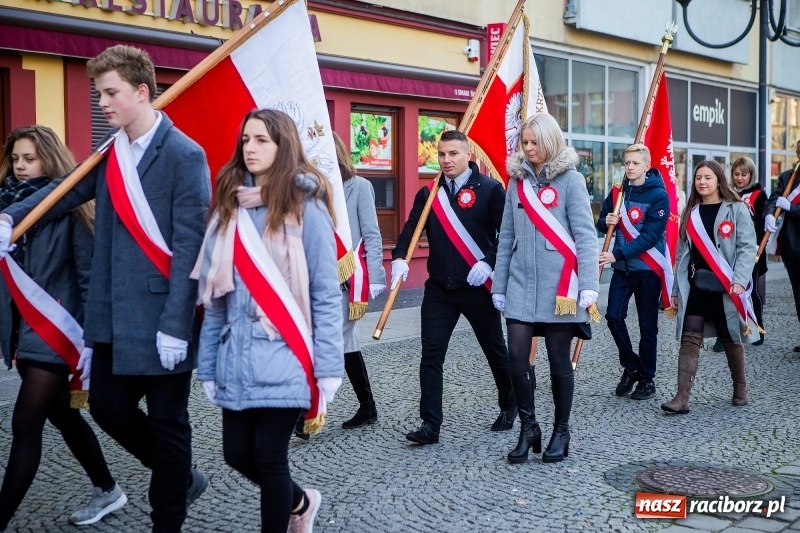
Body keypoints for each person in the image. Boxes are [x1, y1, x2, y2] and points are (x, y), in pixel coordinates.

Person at [0, 46, 211, 532]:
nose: (103, 102)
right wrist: (9, 217)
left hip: (163, 321)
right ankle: (181, 476)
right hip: (114, 317)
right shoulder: (110, 151)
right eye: (98, 93)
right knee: (109, 409)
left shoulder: (184, 154)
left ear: (142, 92)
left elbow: (189, 246)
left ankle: (167, 519)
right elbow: (58, 193)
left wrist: (178, 324)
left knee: (168, 423)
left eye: (111, 92)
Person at [194, 108, 343, 533]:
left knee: (269, 458)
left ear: (283, 147)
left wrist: (329, 368)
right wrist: (207, 365)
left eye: (262, 140)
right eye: (246, 140)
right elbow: (216, 299)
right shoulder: (229, 211)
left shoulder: (306, 211)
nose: (251, 148)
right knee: (235, 454)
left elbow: (325, 295)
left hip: (287, 354)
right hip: (236, 356)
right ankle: (302, 501)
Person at [0, 126, 126, 531]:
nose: (20, 167)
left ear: (49, 160)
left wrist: (91, 342)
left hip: (58, 332)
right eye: (15, 158)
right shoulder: (5, 208)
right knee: (63, 418)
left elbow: (89, 279)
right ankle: (108, 489)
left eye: (29, 159)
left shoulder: (68, 207)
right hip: (21, 333)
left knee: (25, 423)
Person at [392, 129, 514, 445]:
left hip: (477, 288)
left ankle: (510, 404)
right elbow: (410, 230)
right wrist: (399, 258)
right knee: (431, 355)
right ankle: (430, 425)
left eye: (453, 154)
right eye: (442, 154)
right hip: (439, 290)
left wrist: (488, 262)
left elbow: (507, 237)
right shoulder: (429, 193)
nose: (447, 160)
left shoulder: (489, 190)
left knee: (494, 350)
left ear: (468, 153)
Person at [493, 112, 599, 464]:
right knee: (516, 359)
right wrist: (499, 282)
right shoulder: (516, 183)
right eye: (524, 142)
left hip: (561, 288)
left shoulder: (571, 181)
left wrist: (589, 286)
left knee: (558, 362)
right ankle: (529, 427)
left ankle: (561, 431)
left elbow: (585, 236)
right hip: (522, 284)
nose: (528, 148)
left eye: (534, 142)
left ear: (550, 141)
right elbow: (506, 235)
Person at [662, 160, 758, 414]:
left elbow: (747, 247)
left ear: (719, 180)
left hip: (727, 288)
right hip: (697, 288)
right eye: (698, 178)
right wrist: (674, 290)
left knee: (730, 339)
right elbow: (681, 253)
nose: (702, 182)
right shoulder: (690, 211)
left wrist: (739, 279)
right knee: (689, 339)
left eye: (707, 177)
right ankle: (682, 397)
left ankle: (740, 386)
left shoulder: (736, 209)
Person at [597, 144, 669, 401]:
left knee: (648, 326)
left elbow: (650, 236)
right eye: (627, 163)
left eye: (635, 163)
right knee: (613, 316)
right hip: (623, 269)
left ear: (646, 166)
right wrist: (605, 221)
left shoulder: (659, 195)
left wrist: (617, 255)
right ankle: (631, 366)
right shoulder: (618, 191)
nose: (629, 167)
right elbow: (602, 219)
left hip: (647, 269)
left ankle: (647, 378)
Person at [333, 131, 385, 428]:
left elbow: (372, 233)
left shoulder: (359, 186)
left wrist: (376, 275)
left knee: (327, 342)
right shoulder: (311, 188)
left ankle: (305, 412)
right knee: (348, 343)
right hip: (318, 282)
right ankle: (368, 406)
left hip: (349, 282)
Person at [765, 140, 800, 352]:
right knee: (798, 295)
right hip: (790, 245)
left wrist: (793, 209)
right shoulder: (788, 176)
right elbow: (775, 197)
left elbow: (789, 205)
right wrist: (769, 213)